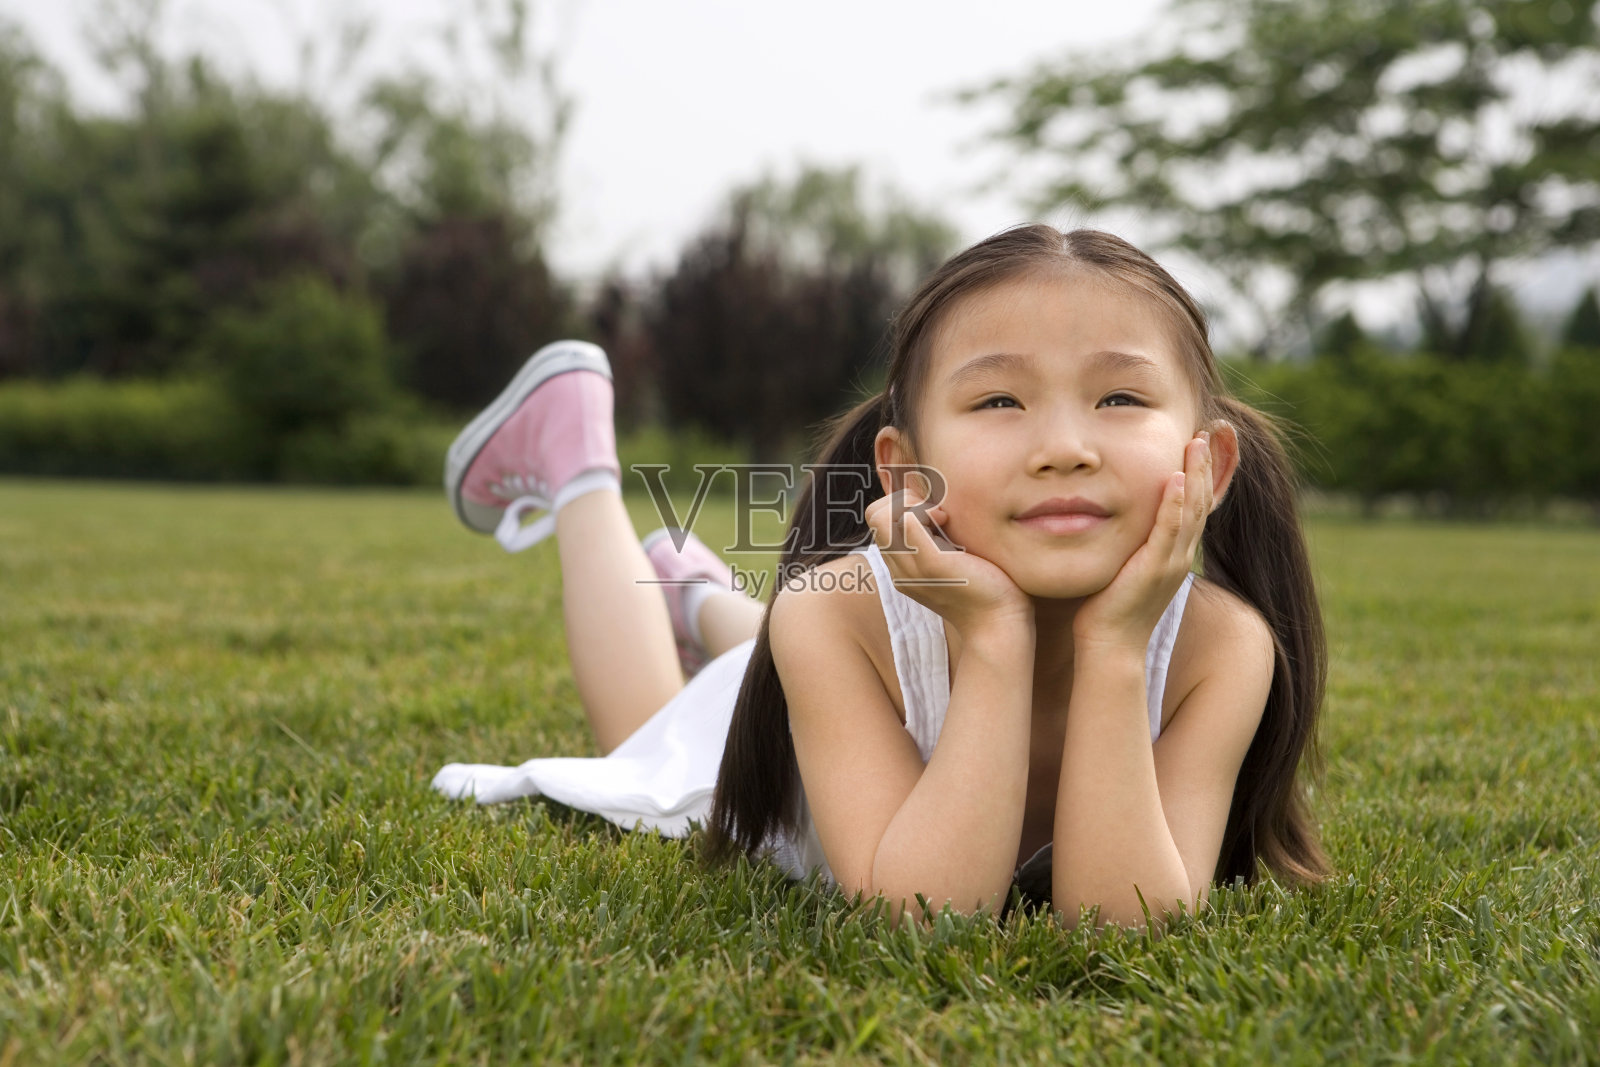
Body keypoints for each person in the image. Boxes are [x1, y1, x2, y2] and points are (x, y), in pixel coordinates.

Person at [432, 224, 1329, 929]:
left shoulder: (1222, 647)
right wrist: (990, 636)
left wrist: (1115, 649)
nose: (1064, 448)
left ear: (1208, 462)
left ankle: (699, 591)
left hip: (859, 655)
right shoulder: (831, 616)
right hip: (801, 722)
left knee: (784, 642)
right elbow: (925, 912)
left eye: (1121, 397)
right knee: (649, 737)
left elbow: (1118, 923)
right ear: (902, 471)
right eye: (999, 400)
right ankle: (579, 464)